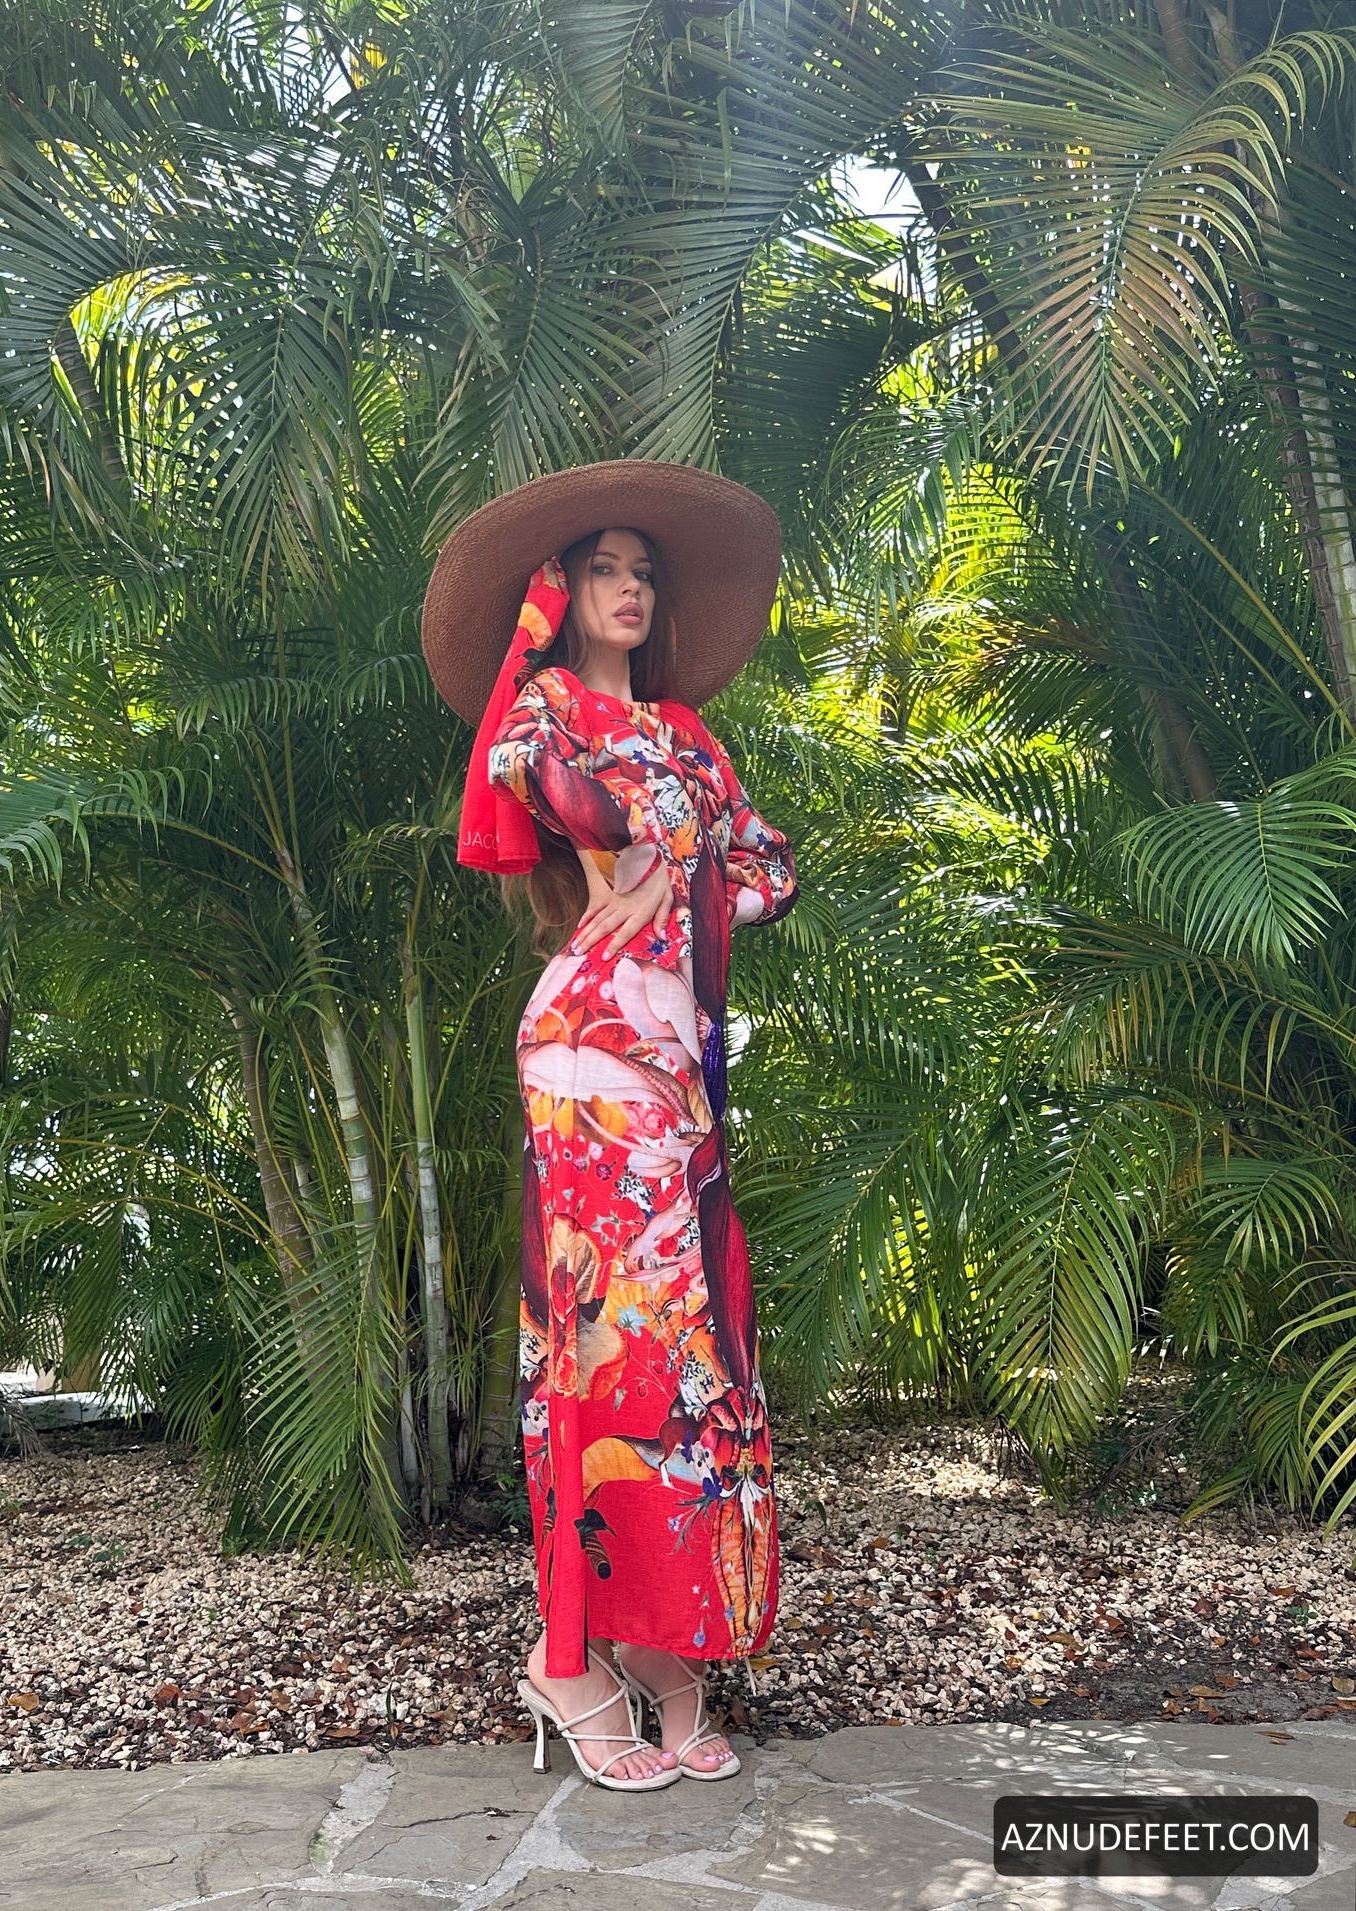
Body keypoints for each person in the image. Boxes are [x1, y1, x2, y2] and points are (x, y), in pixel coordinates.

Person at [422, 459, 799, 1791]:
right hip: (587, 1049)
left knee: (690, 1361)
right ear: (561, 589)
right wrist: (654, 853)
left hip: (679, 1060)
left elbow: (770, 865)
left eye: (645, 573)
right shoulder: (546, 710)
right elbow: (551, 790)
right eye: (605, 569)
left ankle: (664, 1644)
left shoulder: (690, 733)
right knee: (596, 1353)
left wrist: (682, 876)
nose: (630, 590)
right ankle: (569, 1657)